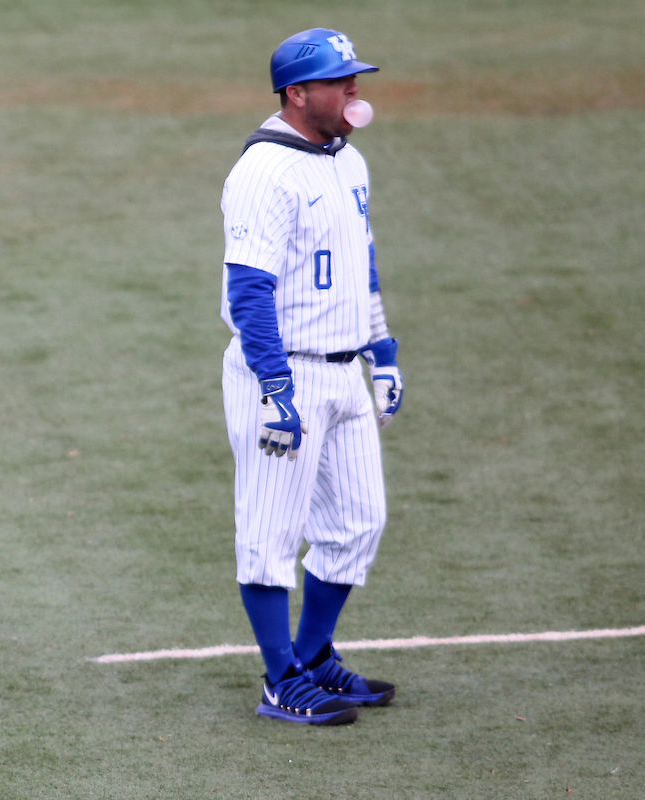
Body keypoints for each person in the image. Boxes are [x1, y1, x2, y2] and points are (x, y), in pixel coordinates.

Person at [219, 28, 404, 726]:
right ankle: (279, 682)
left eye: (355, 76)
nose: (356, 90)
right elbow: (248, 291)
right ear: (298, 93)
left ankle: (312, 657)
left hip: (342, 370)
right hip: (284, 373)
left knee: (358, 522)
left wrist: (381, 350)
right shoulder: (264, 172)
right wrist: (274, 390)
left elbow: (363, 262)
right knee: (270, 537)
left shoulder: (346, 161)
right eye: (340, 80)